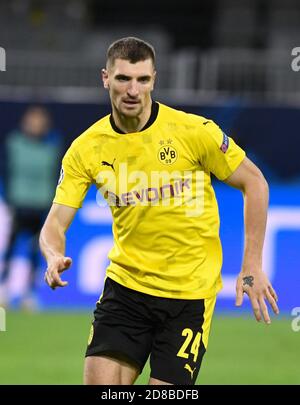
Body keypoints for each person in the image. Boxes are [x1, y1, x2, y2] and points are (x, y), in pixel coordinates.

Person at [39, 37, 279, 385]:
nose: (133, 90)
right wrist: (52, 254)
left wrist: (252, 264)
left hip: (189, 297)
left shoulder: (194, 132)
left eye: (143, 80)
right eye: (123, 79)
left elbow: (255, 183)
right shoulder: (86, 149)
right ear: (106, 78)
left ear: (154, 79)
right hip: (126, 290)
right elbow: (54, 224)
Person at [0, 106, 61, 310]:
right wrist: (9, 198)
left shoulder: (52, 148)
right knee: (11, 247)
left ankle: (29, 293)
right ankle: (4, 290)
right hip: (19, 203)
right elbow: (8, 172)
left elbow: (55, 176)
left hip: (40, 204)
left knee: (37, 250)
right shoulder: (14, 143)